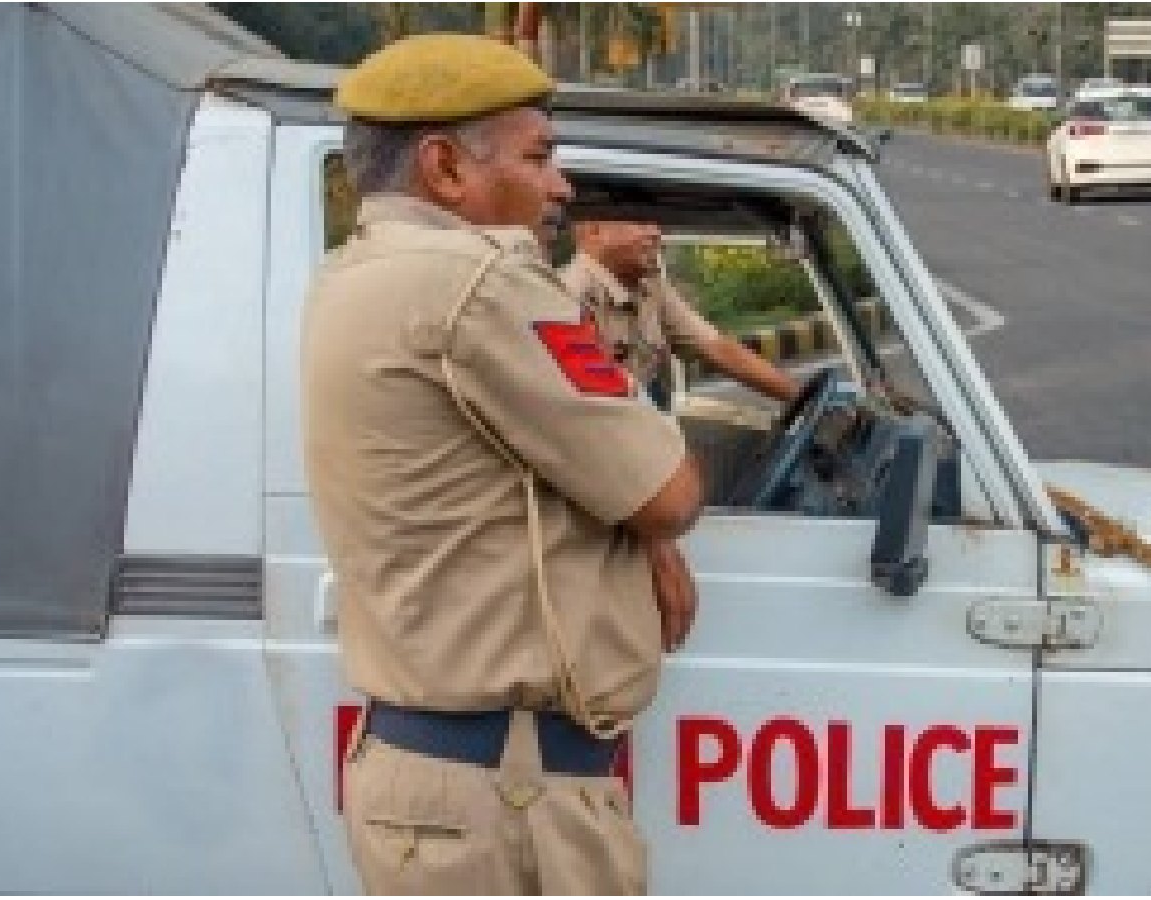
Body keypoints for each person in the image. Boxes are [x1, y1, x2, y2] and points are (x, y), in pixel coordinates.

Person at [301, 34, 704, 895]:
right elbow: (666, 492)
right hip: (510, 803)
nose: (561, 187)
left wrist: (646, 537)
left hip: (440, 783)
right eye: (538, 156)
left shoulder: (353, 273)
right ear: (445, 168)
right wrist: (653, 525)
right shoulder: (479, 284)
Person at [562, 220, 800, 409]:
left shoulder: (649, 285)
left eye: (655, 223)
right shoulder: (569, 297)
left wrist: (800, 398)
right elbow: (596, 410)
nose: (656, 233)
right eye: (641, 223)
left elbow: (718, 349)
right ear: (595, 231)